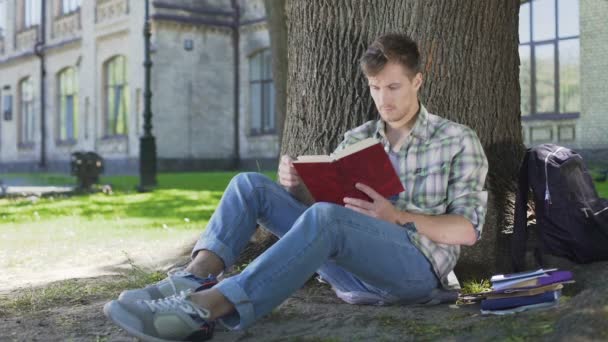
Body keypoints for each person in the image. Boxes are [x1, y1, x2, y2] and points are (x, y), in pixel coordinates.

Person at [103, 33, 488, 341]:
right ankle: (191, 279)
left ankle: (207, 307)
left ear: (417, 80)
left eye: (393, 87)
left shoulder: (456, 139)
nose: (383, 100)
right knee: (248, 185)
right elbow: (327, 212)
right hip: (349, 270)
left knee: (327, 219)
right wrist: (299, 187)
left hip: (412, 273)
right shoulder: (358, 138)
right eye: (374, 88)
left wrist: (398, 216)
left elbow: (468, 231)